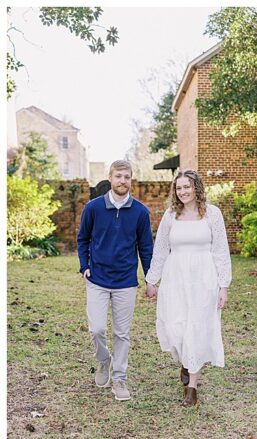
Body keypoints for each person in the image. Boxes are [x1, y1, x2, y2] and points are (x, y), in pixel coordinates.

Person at [145, 170, 232, 407]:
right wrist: (152, 280)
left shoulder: (212, 214)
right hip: (176, 277)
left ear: (197, 188)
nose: (183, 192)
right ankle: (186, 361)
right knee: (176, 326)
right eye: (179, 188)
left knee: (198, 327)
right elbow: (161, 248)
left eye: (187, 187)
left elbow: (221, 250)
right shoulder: (171, 215)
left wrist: (223, 286)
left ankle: (192, 388)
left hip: (204, 277)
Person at [77, 160, 154, 401]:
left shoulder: (140, 212)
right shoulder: (93, 208)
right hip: (98, 279)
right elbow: (83, 239)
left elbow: (145, 247)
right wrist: (84, 266)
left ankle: (119, 378)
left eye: (127, 177)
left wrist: (150, 279)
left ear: (132, 180)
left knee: (122, 334)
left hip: (126, 282)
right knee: (97, 328)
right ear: (110, 178)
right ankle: (103, 360)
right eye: (118, 176)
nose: (123, 181)